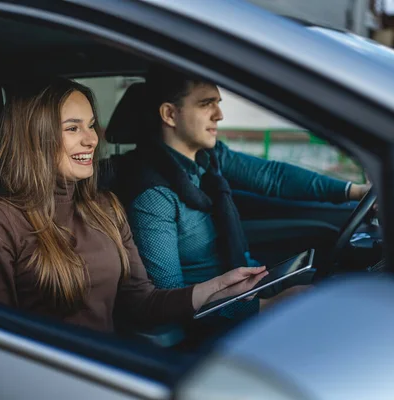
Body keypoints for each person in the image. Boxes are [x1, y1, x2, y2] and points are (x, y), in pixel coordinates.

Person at [0, 78, 269, 333]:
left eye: (91, 125)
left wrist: (218, 289)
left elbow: (142, 303)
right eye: (72, 128)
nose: (91, 139)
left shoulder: (104, 208)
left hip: (106, 364)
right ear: (35, 139)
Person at [114, 67, 370, 319]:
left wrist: (355, 191)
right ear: (169, 114)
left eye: (218, 103)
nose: (219, 115)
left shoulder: (209, 158)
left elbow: (273, 177)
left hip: (240, 288)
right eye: (206, 104)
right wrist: (267, 306)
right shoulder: (153, 196)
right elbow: (169, 299)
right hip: (212, 319)